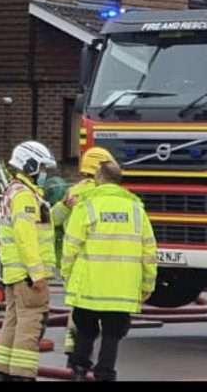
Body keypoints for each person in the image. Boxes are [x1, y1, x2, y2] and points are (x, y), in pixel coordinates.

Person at [60, 161, 157, 382]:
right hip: (122, 290)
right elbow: (149, 251)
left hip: (89, 287)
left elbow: (70, 245)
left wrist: (67, 274)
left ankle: (80, 370)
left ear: (100, 178)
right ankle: (105, 373)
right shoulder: (136, 209)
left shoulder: (87, 205)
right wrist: (147, 284)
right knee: (112, 334)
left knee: (85, 330)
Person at [0, 140, 58, 382]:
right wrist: (37, 273)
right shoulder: (24, 197)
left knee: (13, 322)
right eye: (41, 168)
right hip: (28, 276)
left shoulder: (16, 191)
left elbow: (42, 224)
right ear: (30, 165)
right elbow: (26, 236)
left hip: (15, 274)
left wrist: (62, 207)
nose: (44, 174)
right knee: (30, 325)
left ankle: (5, 373)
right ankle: (23, 376)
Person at [52, 147, 119, 365]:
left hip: (77, 260)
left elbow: (54, 220)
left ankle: (74, 354)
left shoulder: (73, 192)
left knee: (78, 310)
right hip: (105, 261)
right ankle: (90, 358)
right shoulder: (111, 197)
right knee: (103, 311)